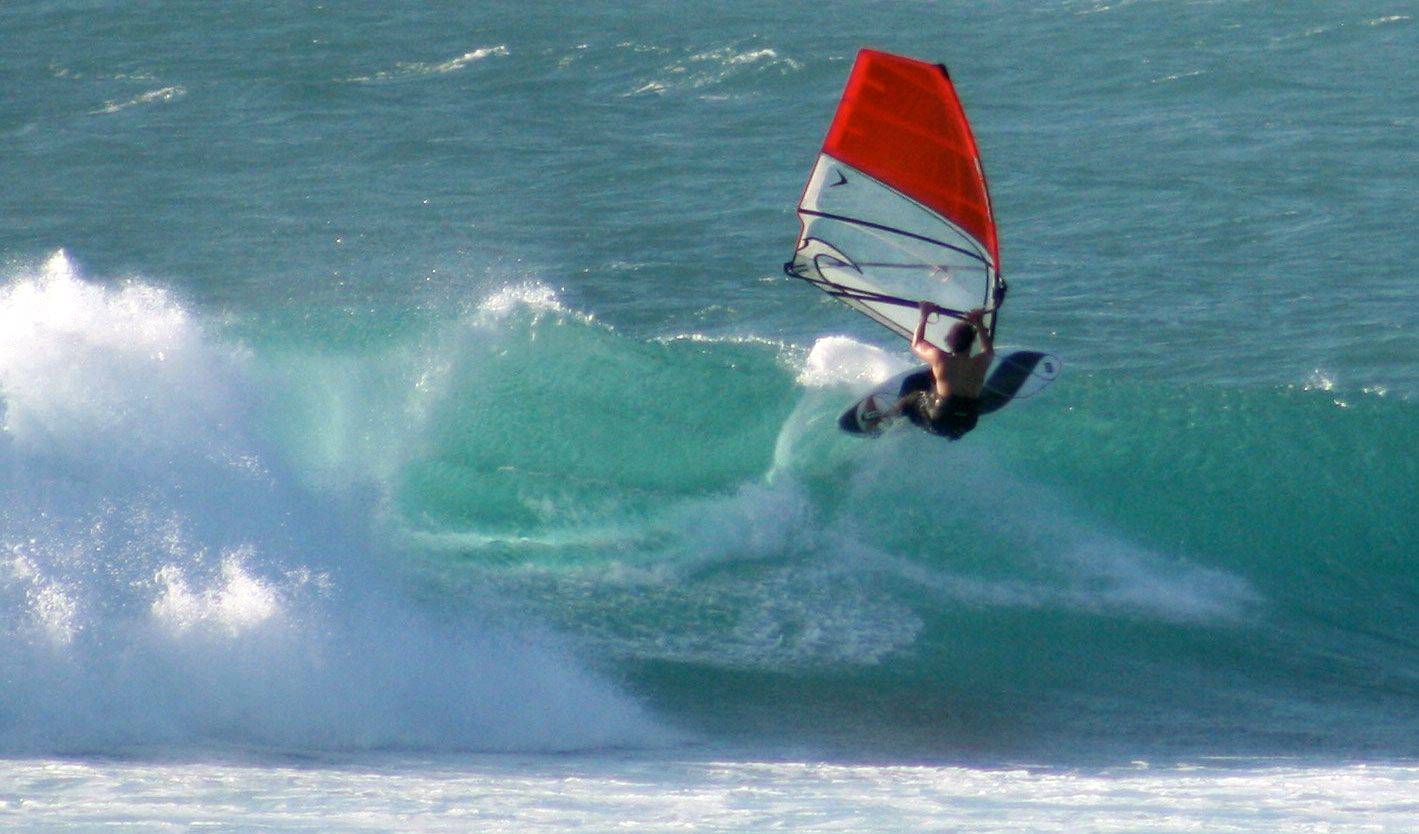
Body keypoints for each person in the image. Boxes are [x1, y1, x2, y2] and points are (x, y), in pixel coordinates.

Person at [871, 301, 994, 439]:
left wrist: (924, 314)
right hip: (967, 422)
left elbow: (916, 344)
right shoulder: (982, 361)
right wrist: (979, 323)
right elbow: (988, 349)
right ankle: (950, 430)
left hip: (940, 421)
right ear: (972, 342)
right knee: (938, 390)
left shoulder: (941, 359)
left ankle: (883, 421)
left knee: (913, 394)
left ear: (949, 341)